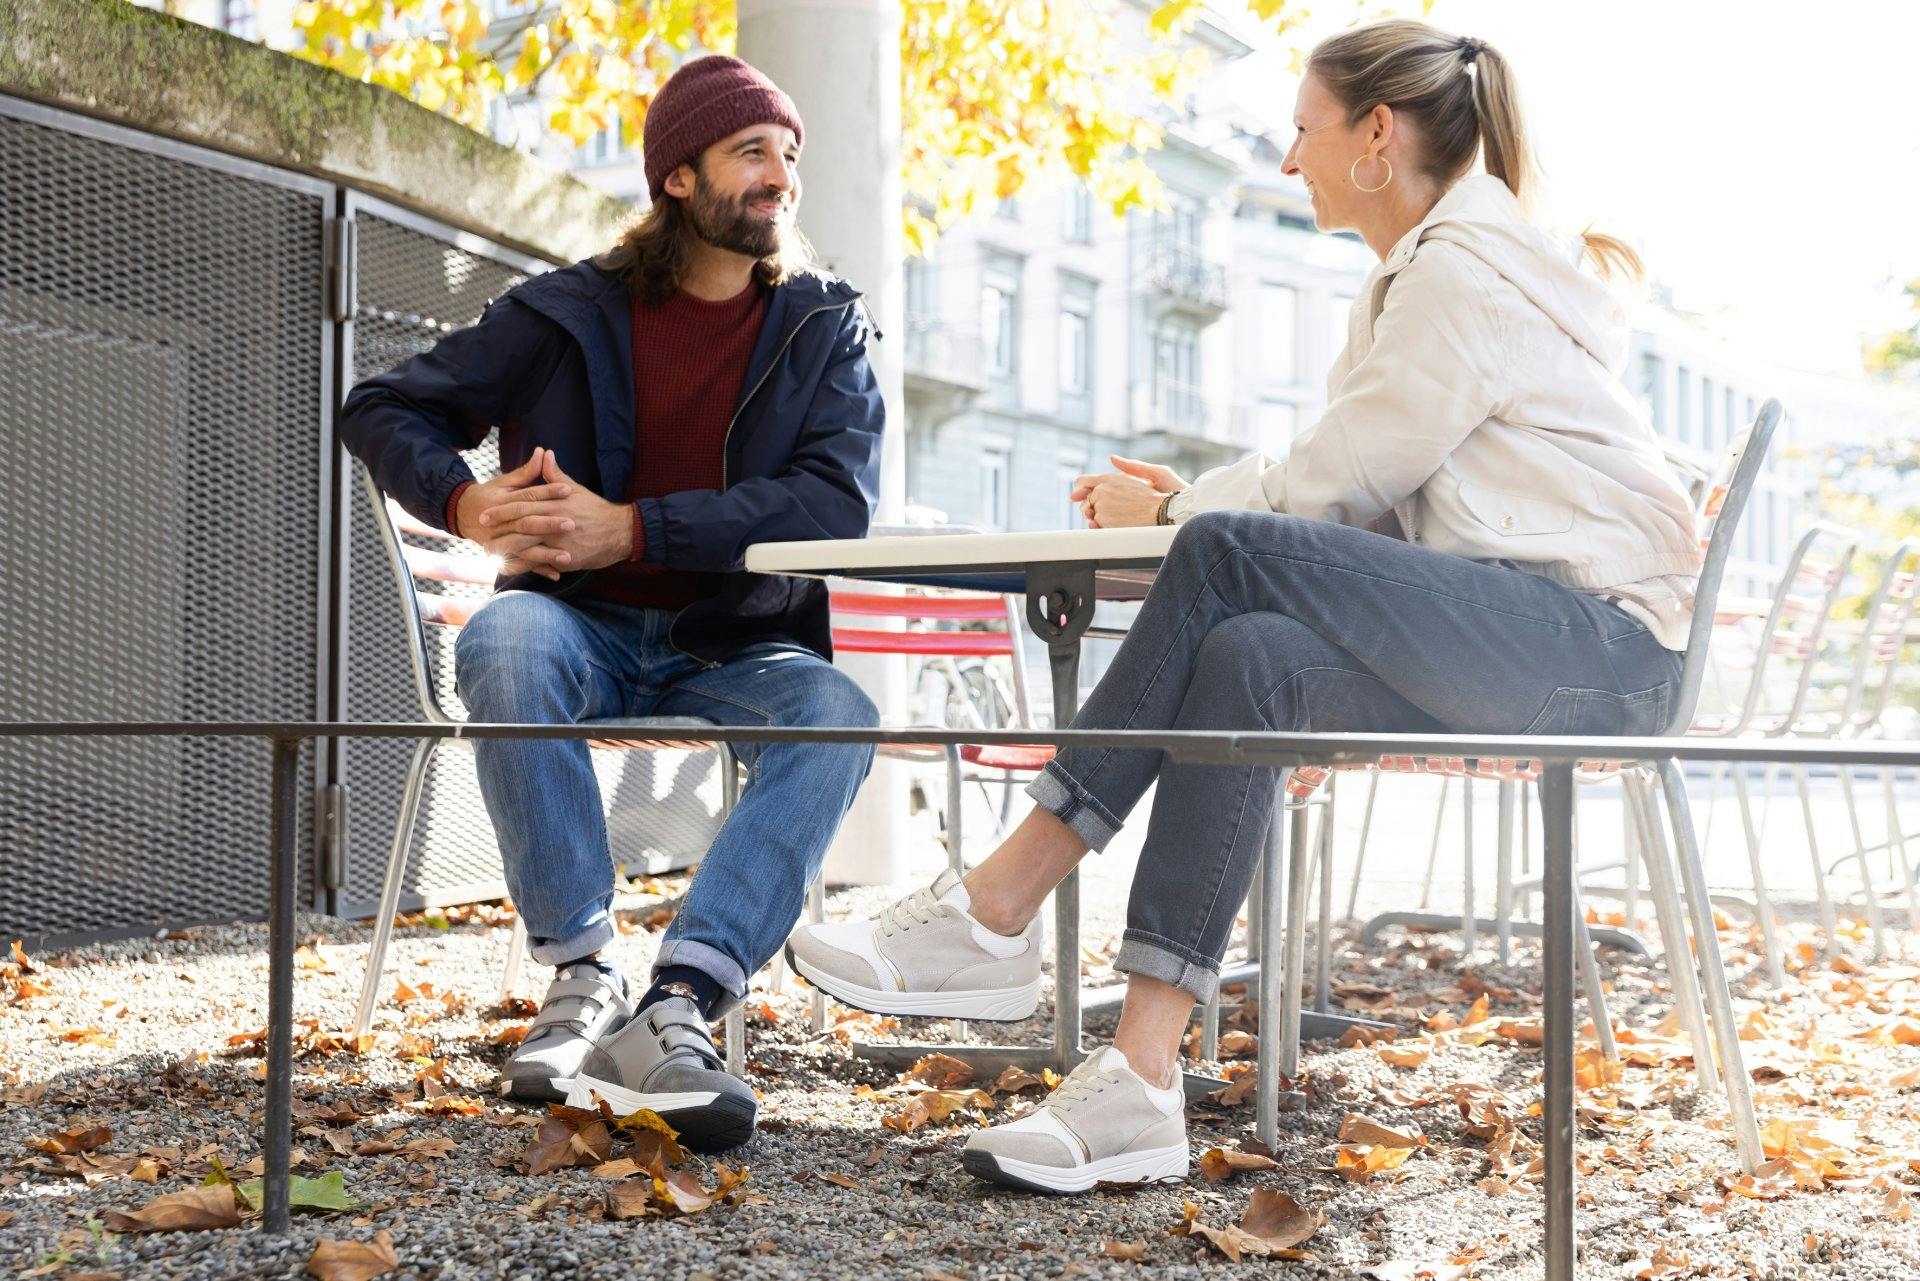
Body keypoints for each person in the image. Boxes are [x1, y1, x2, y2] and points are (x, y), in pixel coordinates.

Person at [788, 18, 1702, 1192]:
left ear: (1377, 136)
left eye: (1303, 129)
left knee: (1222, 555)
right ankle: (1141, 1079)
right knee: (1252, 659)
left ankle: (998, 903)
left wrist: (1182, 513)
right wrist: (1195, 507)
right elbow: (1361, 499)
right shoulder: (1428, 275)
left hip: (1597, 651)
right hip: (1519, 633)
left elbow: (1335, 484)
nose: (1286, 158)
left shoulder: (1461, 273)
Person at [340, 55, 886, 1152]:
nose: (781, 177)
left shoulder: (823, 324)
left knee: (839, 712)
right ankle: (583, 972)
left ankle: (679, 1000)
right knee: (506, 637)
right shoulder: (563, 313)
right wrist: (464, 499)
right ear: (678, 176)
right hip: (576, 626)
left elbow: (836, 500)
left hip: (735, 643)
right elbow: (381, 404)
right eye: (751, 152)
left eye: (790, 155)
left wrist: (634, 528)